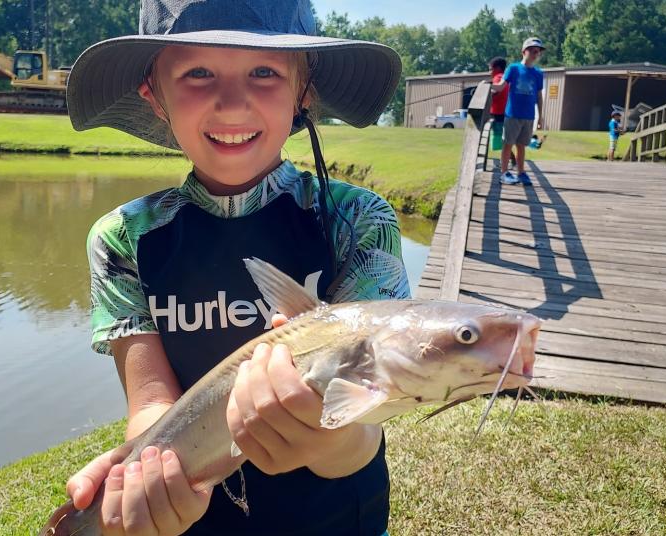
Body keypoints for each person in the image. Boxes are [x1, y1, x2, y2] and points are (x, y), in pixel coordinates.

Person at [63, 1, 410, 535]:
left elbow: (365, 420)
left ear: (304, 91)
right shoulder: (123, 238)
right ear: (155, 95)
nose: (232, 103)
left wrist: (331, 436)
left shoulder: (359, 222)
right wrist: (156, 478)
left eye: (265, 72)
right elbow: (152, 402)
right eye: (198, 72)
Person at [491, 37, 546, 186]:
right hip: (512, 114)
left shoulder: (539, 73)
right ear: (524, 51)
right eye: (533, 51)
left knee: (522, 145)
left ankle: (521, 172)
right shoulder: (513, 68)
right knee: (508, 144)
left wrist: (540, 116)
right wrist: (489, 85)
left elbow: (539, 96)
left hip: (529, 116)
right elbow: (501, 86)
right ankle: (504, 173)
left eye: (538, 52)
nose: (536, 54)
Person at [488, 56, 516, 167]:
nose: (489, 72)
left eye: (490, 69)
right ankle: (509, 160)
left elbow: (495, 92)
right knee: (501, 138)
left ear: (498, 68)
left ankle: (510, 160)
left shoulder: (498, 77)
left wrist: (488, 92)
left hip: (498, 114)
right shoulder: (504, 77)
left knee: (500, 139)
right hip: (504, 113)